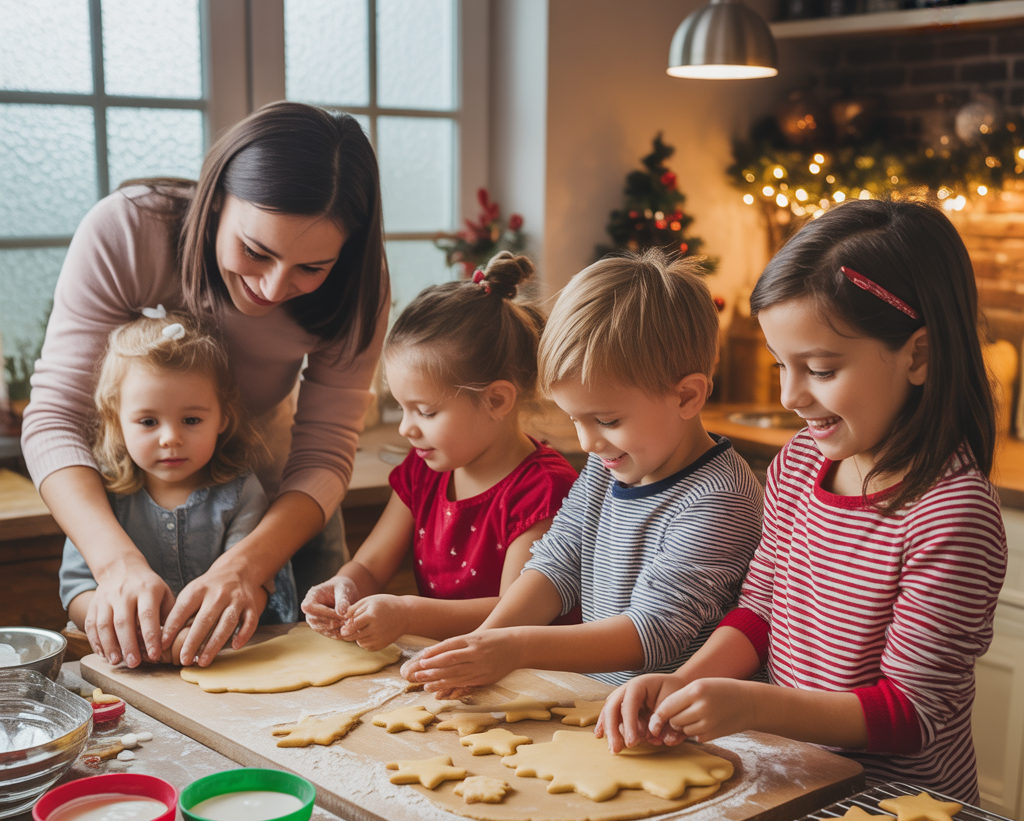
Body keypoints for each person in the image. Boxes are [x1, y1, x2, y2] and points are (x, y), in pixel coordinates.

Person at [599, 199, 1008, 803]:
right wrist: (682, 682)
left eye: (818, 369)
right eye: (780, 365)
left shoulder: (951, 516)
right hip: (796, 784)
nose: (790, 395)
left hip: (900, 814)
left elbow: (910, 713)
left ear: (917, 355)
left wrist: (750, 703)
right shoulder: (799, 464)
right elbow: (760, 609)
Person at [22, 101, 388, 670]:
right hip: (131, 507)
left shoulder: (359, 285)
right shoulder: (130, 229)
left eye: (310, 269)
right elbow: (55, 418)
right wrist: (116, 564)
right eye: (256, 251)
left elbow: (325, 450)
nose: (271, 286)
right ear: (216, 199)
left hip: (281, 508)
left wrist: (248, 565)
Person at [400, 248, 764, 697]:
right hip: (599, 700)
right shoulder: (609, 462)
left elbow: (653, 632)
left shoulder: (718, 498)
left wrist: (513, 648)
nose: (588, 442)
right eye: (575, 419)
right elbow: (559, 561)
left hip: (686, 723)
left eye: (607, 421)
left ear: (688, 397)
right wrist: (482, 644)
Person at [301, 252, 579, 651]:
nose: (405, 427)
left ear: (497, 401)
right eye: (401, 406)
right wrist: (343, 586)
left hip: (529, 678)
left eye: (426, 411)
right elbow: (369, 565)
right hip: (452, 668)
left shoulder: (544, 491)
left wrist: (408, 613)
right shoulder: (424, 468)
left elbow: (512, 612)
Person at [60, 310, 295, 658]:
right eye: (148, 421)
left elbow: (257, 585)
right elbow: (77, 591)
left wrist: (203, 631)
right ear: (116, 420)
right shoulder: (102, 495)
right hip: (128, 662)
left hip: (230, 658)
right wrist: (126, 628)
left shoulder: (242, 492)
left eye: (191, 419)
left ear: (222, 419)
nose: (170, 438)